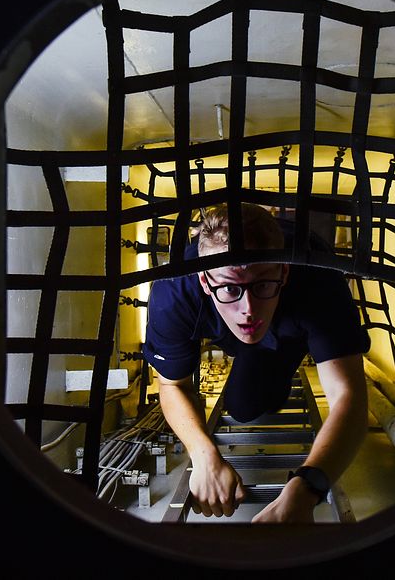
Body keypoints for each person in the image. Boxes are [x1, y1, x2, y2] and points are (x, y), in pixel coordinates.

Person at [142, 203, 370, 523]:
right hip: (240, 325)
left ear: (283, 272)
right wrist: (204, 454)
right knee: (241, 406)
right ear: (207, 282)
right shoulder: (174, 294)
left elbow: (350, 396)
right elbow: (172, 384)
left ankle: (284, 355)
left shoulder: (318, 279)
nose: (248, 309)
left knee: (254, 398)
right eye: (231, 288)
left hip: (289, 325)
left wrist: (306, 487)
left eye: (261, 284)